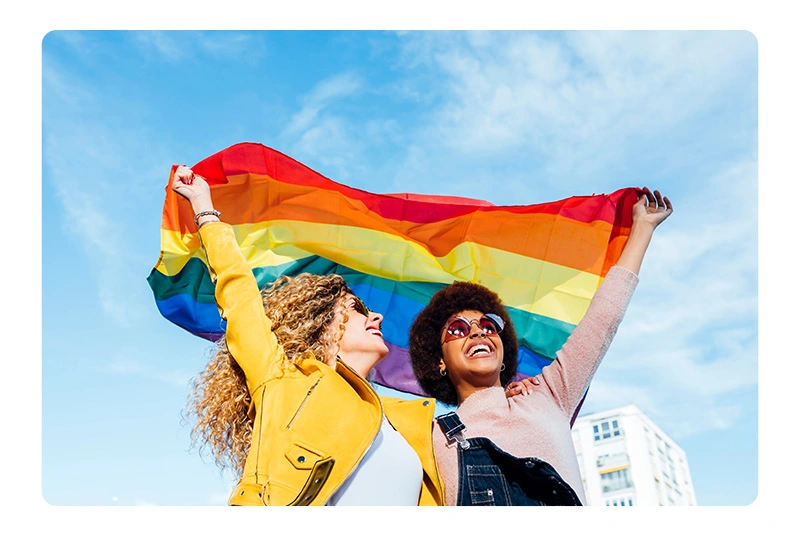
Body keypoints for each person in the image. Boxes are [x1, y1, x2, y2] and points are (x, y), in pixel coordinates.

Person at [170, 165, 532, 506]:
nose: (375, 315)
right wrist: (204, 208)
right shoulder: (283, 382)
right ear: (321, 325)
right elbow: (239, 297)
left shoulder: (410, 420)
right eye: (357, 309)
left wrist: (503, 395)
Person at [407, 187, 673, 506]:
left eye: (490, 326)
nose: (478, 332)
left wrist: (642, 227)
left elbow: (603, 319)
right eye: (458, 329)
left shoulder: (549, 396)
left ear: (504, 353)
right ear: (439, 362)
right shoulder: (430, 436)